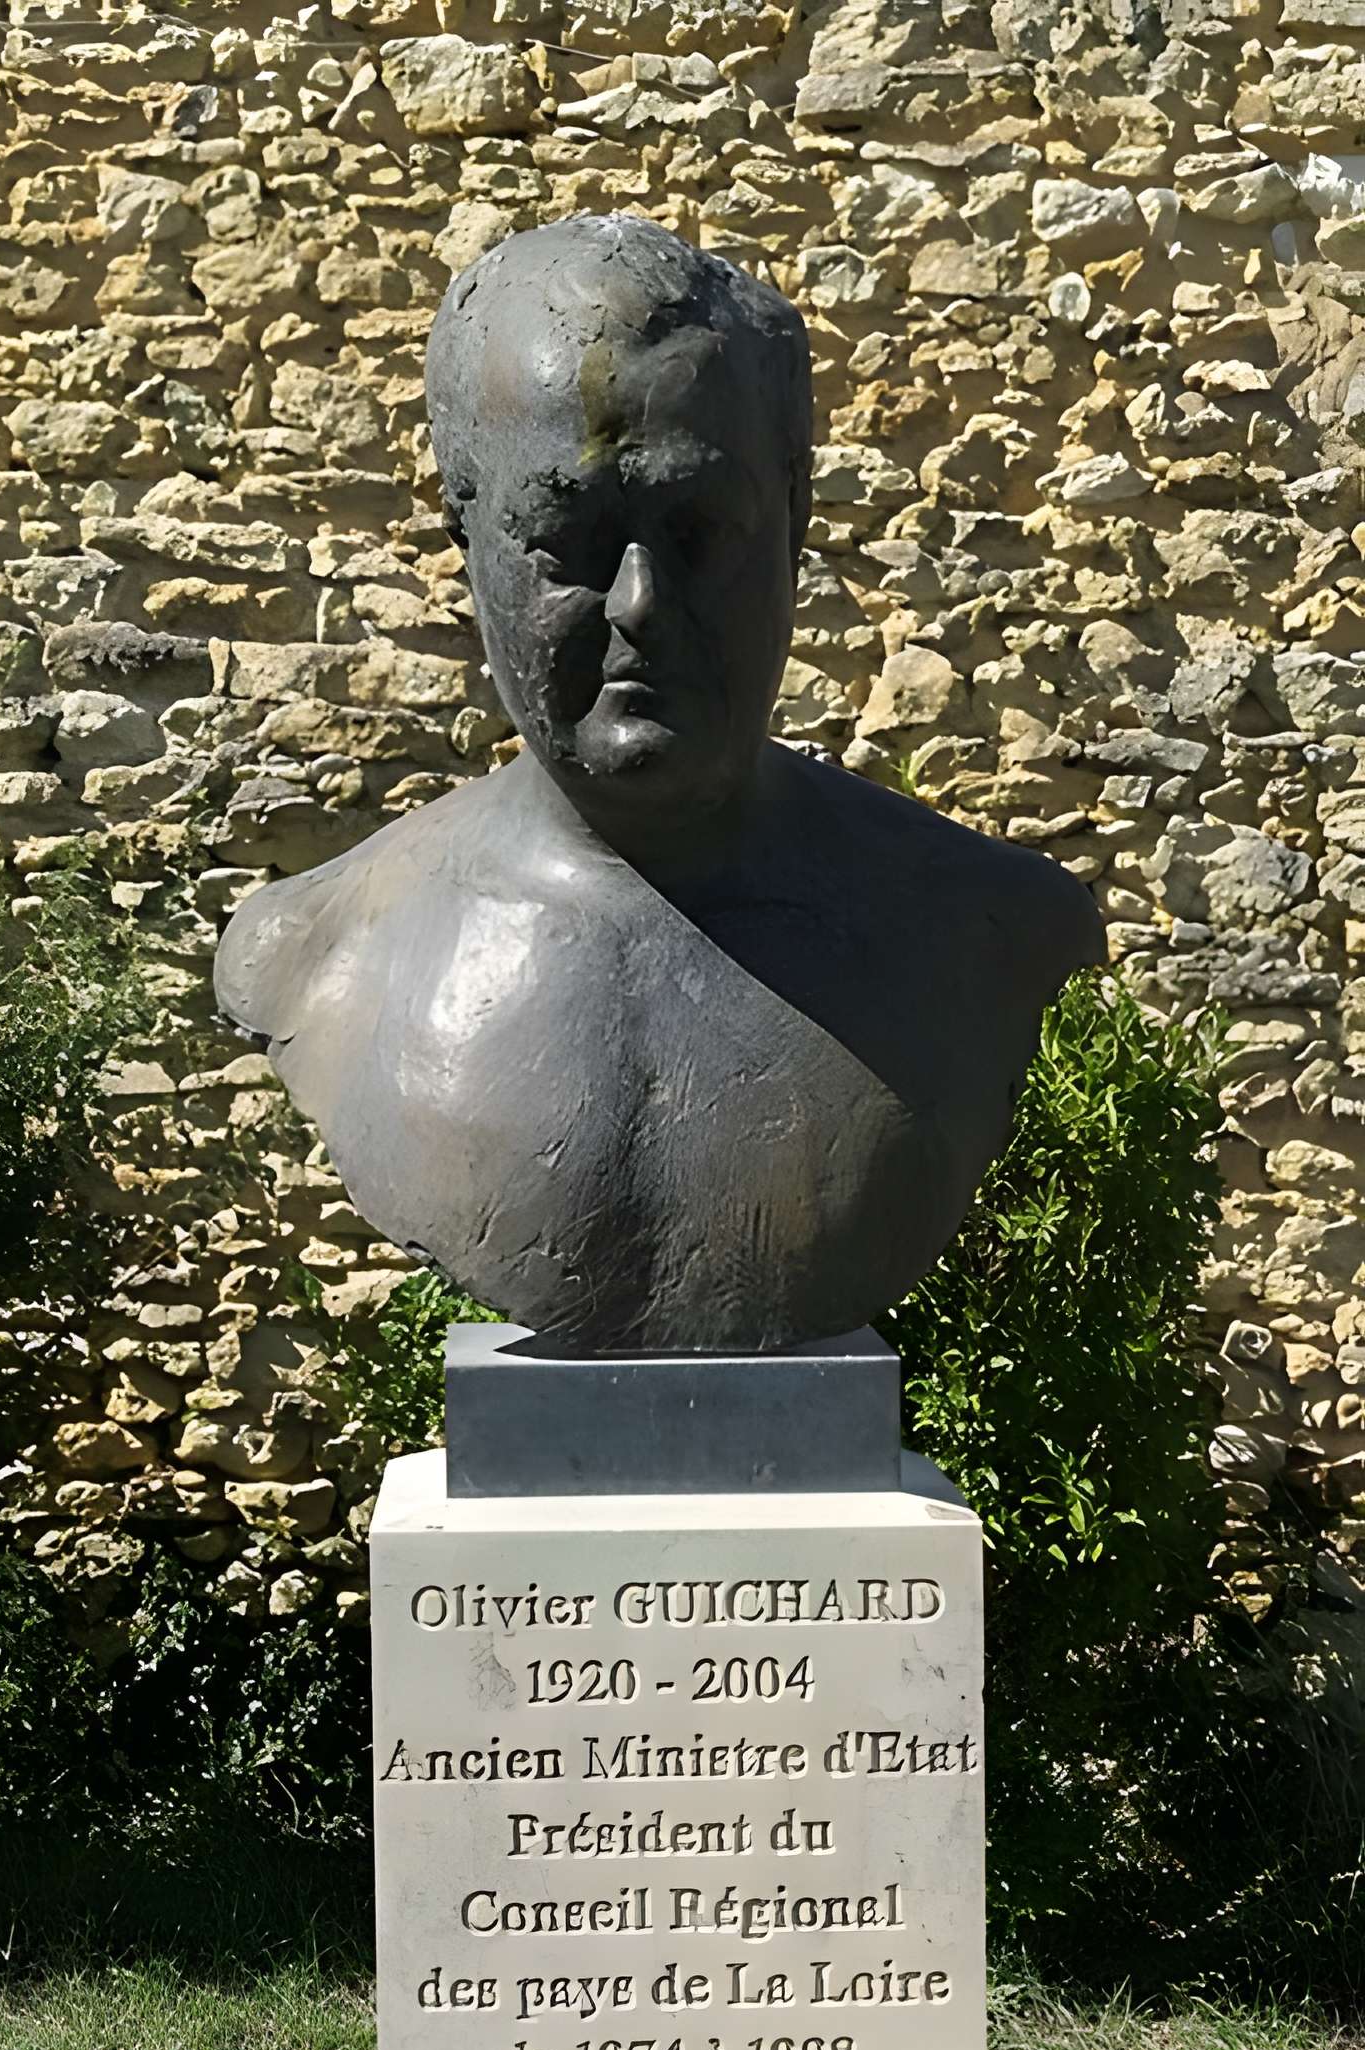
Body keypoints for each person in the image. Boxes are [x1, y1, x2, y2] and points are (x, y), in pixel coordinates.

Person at [215, 215, 1103, 1351]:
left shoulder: (989, 934)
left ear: (794, 526)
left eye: (698, 530)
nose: (639, 603)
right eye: (568, 538)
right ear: (465, 536)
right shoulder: (312, 955)